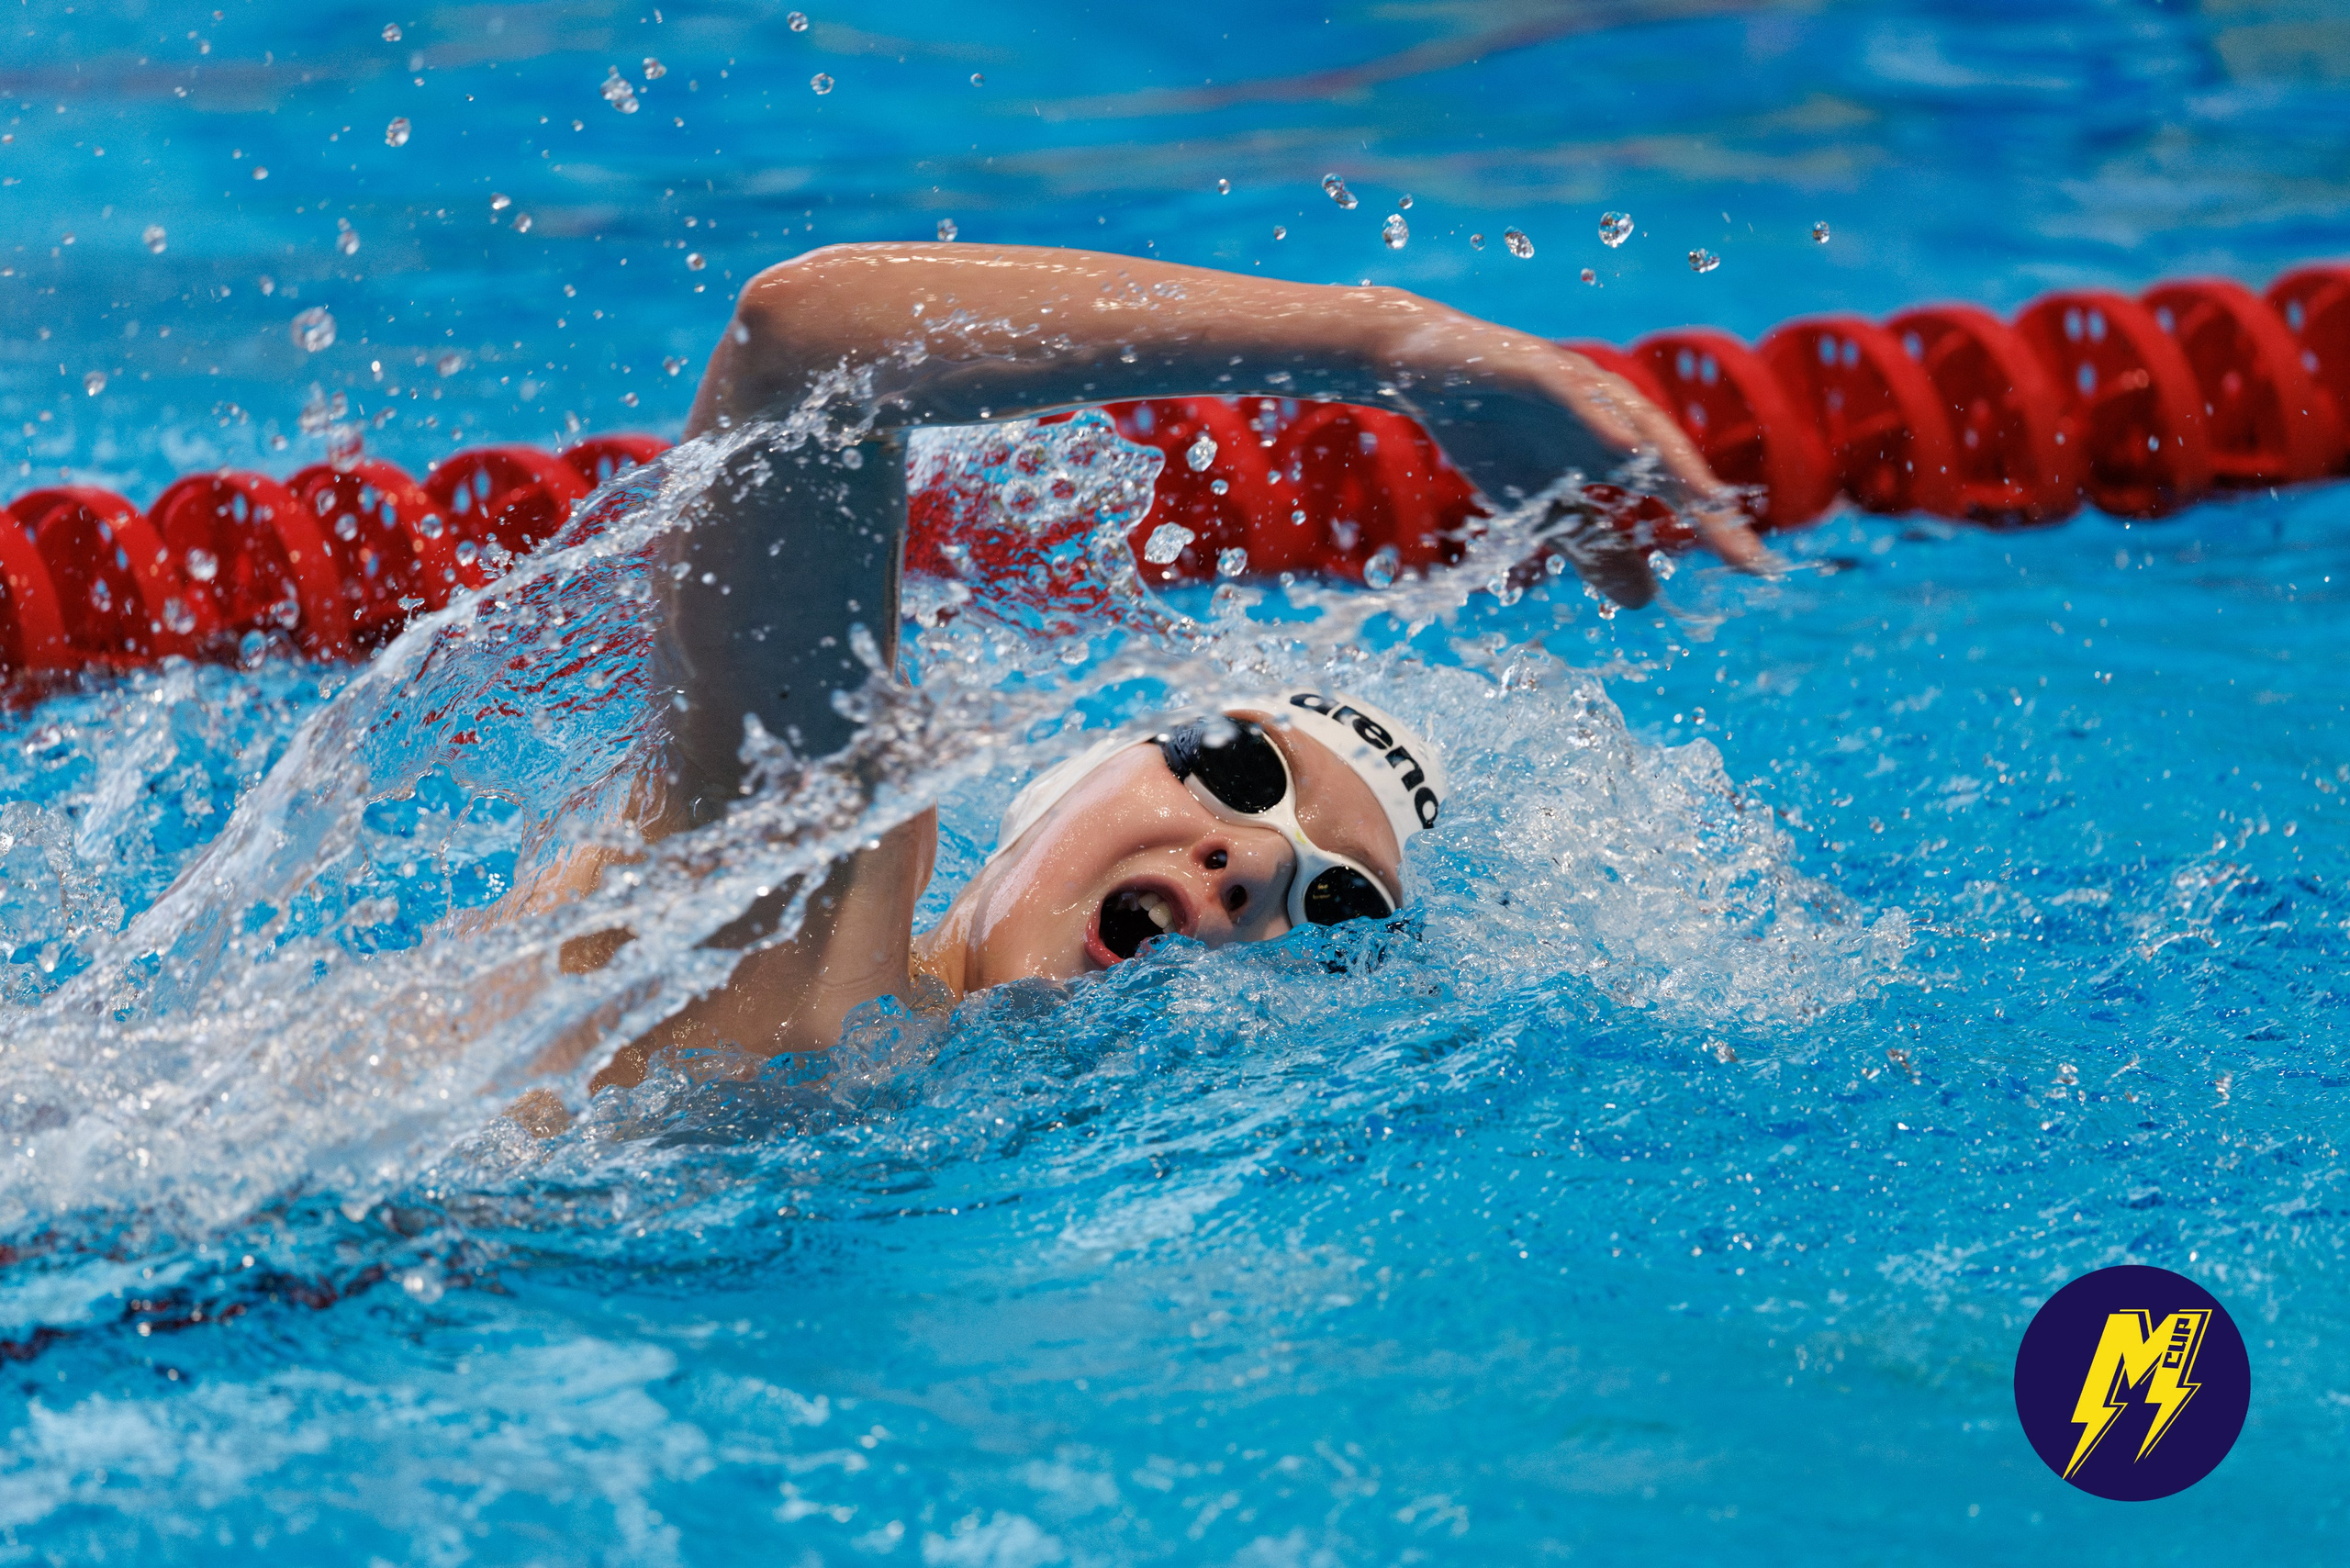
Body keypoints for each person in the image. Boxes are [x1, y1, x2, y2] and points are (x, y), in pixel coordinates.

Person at [549, 242, 1765, 1094]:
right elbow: (802, 351)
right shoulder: (820, 888)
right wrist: (1395, 346)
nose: (1260, 865)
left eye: (1336, 907)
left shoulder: (923, 1101)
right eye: (1237, 770)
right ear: (1064, 784)